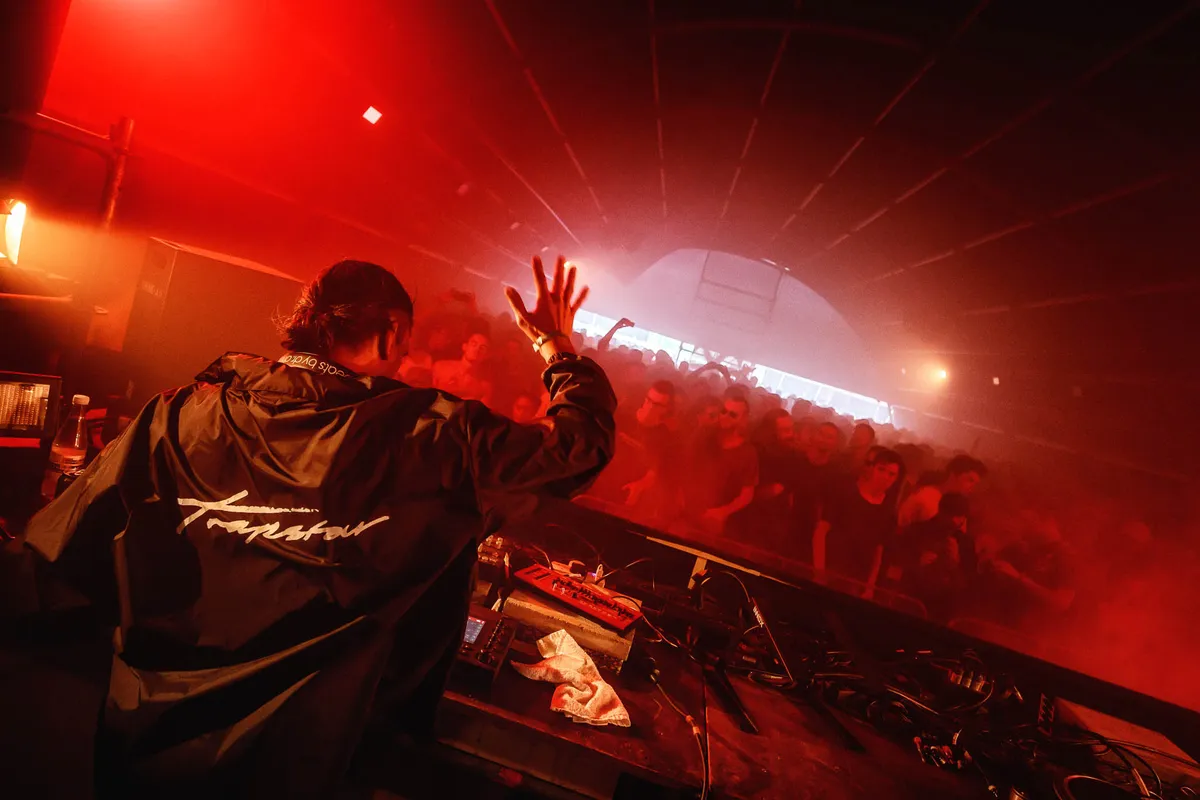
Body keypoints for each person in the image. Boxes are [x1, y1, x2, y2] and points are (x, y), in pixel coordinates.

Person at [23, 255, 614, 798]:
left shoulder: (178, 414)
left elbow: (62, 552)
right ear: (391, 333)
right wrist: (556, 347)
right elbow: (578, 447)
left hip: (141, 747)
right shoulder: (432, 438)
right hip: (290, 764)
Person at [814, 448, 903, 599]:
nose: (885, 477)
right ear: (872, 469)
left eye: (891, 474)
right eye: (881, 469)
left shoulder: (889, 510)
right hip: (831, 569)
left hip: (858, 580)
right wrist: (818, 571)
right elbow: (820, 532)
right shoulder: (845, 491)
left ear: (896, 479)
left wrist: (870, 586)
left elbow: (878, 551)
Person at [677, 393, 758, 537]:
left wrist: (722, 512)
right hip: (684, 513)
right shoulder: (703, 435)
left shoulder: (747, 453)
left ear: (743, 419)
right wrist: (679, 496)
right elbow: (682, 467)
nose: (725, 417)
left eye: (732, 415)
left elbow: (747, 494)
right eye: (724, 411)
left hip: (713, 522)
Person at [898, 454, 987, 529]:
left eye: (975, 483)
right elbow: (901, 526)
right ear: (953, 475)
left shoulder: (959, 506)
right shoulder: (926, 496)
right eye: (970, 480)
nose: (972, 487)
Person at [432, 328, 494, 405]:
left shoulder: (484, 386)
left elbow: (483, 411)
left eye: (482, 348)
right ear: (465, 346)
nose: (477, 349)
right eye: (474, 344)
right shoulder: (441, 367)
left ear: (486, 355)